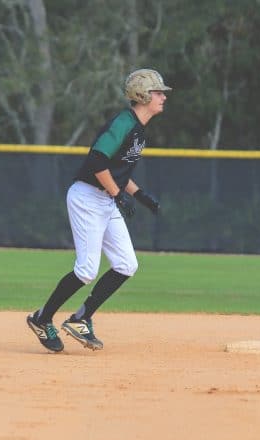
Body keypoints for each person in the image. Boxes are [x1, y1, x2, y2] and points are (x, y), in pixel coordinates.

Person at [26, 69, 170, 352]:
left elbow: (117, 170)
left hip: (105, 198)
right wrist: (118, 195)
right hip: (88, 198)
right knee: (87, 269)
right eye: (158, 92)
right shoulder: (124, 122)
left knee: (127, 264)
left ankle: (81, 318)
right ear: (142, 95)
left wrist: (139, 195)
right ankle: (42, 319)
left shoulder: (139, 129)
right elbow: (97, 161)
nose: (163, 97)